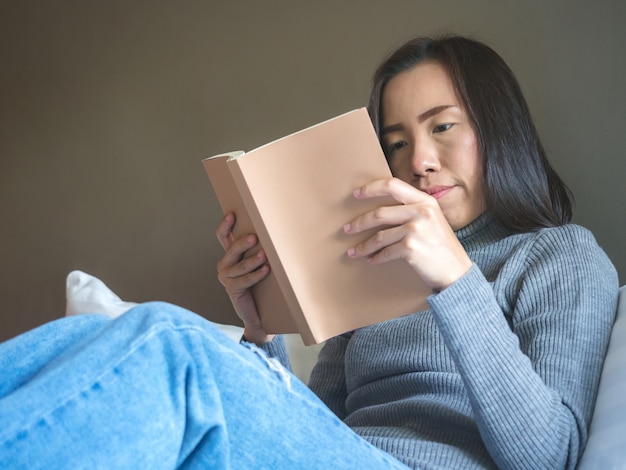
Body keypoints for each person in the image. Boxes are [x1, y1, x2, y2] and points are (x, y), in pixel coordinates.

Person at [0, 35, 619, 469]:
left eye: (443, 126)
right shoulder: (379, 262)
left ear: (497, 128)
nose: (418, 161)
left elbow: (553, 457)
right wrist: (258, 326)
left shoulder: (560, 258)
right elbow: (308, 420)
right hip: (338, 454)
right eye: (396, 142)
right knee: (101, 339)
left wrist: (456, 280)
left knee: (171, 340)